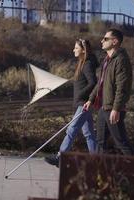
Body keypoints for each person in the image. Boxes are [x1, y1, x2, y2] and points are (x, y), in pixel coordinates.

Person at [45, 39, 98, 167]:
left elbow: (93, 82)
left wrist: (81, 95)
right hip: (82, 102)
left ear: (83, 50)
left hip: (83, 103)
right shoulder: (83, 63)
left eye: (76, 48)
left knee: (71, 129)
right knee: (89, 133)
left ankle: (60, 157)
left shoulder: (87, 64)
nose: (73, 50)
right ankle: (97, 160)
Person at [83, 28, 134, 155]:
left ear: (114, 41)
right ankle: (99, 173)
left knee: (122, 143)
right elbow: (101, 83)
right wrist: (90, 99)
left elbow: (122, 87)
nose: (102, 41)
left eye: (105, 39)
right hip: (104, 107)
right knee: (100, 142)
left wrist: (116, 109)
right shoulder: (107, 60)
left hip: (112, 108)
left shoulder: (121, 60)